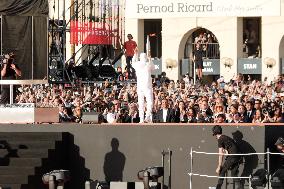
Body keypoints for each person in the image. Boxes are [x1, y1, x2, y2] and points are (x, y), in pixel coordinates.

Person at [132, 50, 155, 123]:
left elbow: (132, 62)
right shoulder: (148, 64)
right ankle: (147, 116)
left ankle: (142, 118)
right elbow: (153, 68)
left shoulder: (137, 64)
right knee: (149, 102)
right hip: (147, 87)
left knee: (141, 103)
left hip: (141, 87)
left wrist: (135, 54)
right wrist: (150, 58)